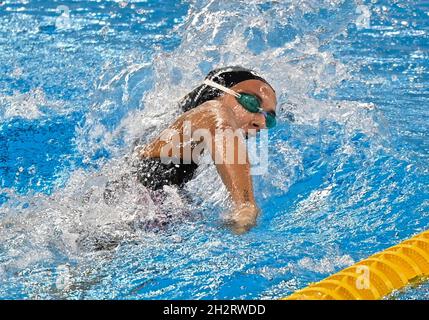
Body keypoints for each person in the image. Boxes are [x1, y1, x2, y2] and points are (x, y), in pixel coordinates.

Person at [135, 66, 277, 234]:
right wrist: (245, 206)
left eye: (269, 118)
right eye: (251, 103)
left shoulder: (190, 146)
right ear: (216, 93)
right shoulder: (211, 110)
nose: (261, 121)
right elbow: (220, 125)